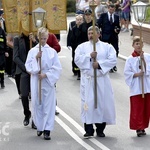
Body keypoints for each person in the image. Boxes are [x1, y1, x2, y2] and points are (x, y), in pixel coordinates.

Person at [75, 26, 116, 138]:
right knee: (87, 104)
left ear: (99, 34)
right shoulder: (82, 47)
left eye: (93, 33)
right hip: (88, 81)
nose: (90, 35)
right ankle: (88, 129)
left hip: (101, 80)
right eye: (89, 33)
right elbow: (77, 59)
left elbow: (113, 59)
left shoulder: (107, 47)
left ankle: (100, 128)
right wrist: (89, 56)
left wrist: (100, 65)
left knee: (101, 104)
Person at [25, 27, 62, 140]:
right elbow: (28, 67)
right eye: (41, 38)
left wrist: (46, 75)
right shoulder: (32, 51)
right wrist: (36, 59)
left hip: (47, 82)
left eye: (45, 38)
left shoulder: (52, 52)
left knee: (48, 106)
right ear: (38, 37)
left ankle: (47, 130)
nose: (43, 41)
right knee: (38, 104)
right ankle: (40, 127)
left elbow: (57, 68)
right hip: (36, 81)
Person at [124, 36, 150, 137]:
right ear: (133, 45)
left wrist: (143, 60)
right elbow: (127, 73)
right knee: (137, 108)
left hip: (146, 86)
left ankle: (143, 126)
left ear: (143, 45)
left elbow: (148, 69)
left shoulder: (147, 56)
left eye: (140, 44)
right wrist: (136, 74)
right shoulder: (130, 59)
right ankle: (138, 128)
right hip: (137, 87)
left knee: (146, 108)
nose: (139, 46)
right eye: (137, 44)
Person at [13, 32, 37, 128]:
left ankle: (36, 119)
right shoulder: (17, 38)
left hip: (35, 70)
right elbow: (15, 57)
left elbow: (42, 50)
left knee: (35, 96)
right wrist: (26, 68)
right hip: (23, 71)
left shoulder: (35, 37)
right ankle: (27, 114)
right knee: (24, 95)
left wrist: (35, 41)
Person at [98, 4, 120, 73]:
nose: (111, 11)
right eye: (110, 9)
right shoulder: (103, 16)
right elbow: (98, 24)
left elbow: (118, 26)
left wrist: (117, 30)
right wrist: (99, 33)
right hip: (105, 36)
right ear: (108, 9)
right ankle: (106, 65)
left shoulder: (116, 16)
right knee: (105, 52)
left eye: (113, 10)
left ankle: (113, 65)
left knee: (115, 50)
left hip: (114, 36)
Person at [70, 14, 84, 79]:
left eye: (80, 20)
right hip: (75, 46)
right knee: (76, 59)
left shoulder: (84, 27)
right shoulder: (74, 28)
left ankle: (81, 72)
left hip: (83, 46)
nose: (79, 21)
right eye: (78, 20)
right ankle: (76, 71)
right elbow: (71, 37)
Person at [0, 23, 7, 88]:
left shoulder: (1, 31)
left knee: (1, 68)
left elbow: (5, 42)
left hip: (1, 53)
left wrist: (6, 51)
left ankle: (2, 81)